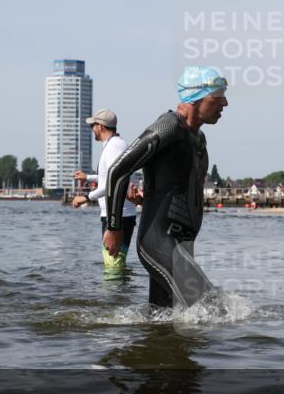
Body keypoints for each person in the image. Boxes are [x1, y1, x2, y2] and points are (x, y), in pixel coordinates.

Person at [102, 66, 228, 308]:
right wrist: (114, 228)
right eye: (217, 97)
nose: (225, 103)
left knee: (163, 319)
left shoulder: (197, 137)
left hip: (182, 244)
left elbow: (177, 185)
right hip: (158, 241)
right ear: (196, 97)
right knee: (212, 307)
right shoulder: (169, 126)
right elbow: (118, 170)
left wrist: (151, 195)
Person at [72, 109, 138, 278]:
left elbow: (113, 182)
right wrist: (88, 177)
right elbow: (108, 177)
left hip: (118, 216)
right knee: (115, 263)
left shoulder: (114, 147)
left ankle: (114, 293)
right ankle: (119, 292)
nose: (92, 129)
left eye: (93, 126)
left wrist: (86, 197)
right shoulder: (115, 145)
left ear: (100, 126)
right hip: (118, 215)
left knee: (113, 264)